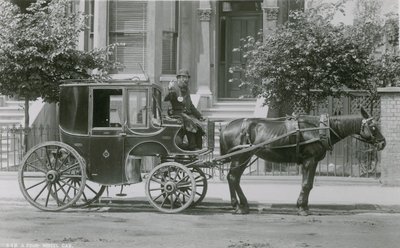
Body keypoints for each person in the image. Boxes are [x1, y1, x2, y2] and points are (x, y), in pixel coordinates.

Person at [164, 69, 205, 150]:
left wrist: (199, 116)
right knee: (189, 121)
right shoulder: (174, 88)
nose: (185, 80)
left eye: (186, 78)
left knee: (199, 125)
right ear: (179, 78)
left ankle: (198, 147)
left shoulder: (186, 90)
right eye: (183, 78)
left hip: (186, 114)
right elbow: (167, 98)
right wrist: (170, 90)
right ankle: (192, 146)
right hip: (177, 113)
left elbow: (191, 106)